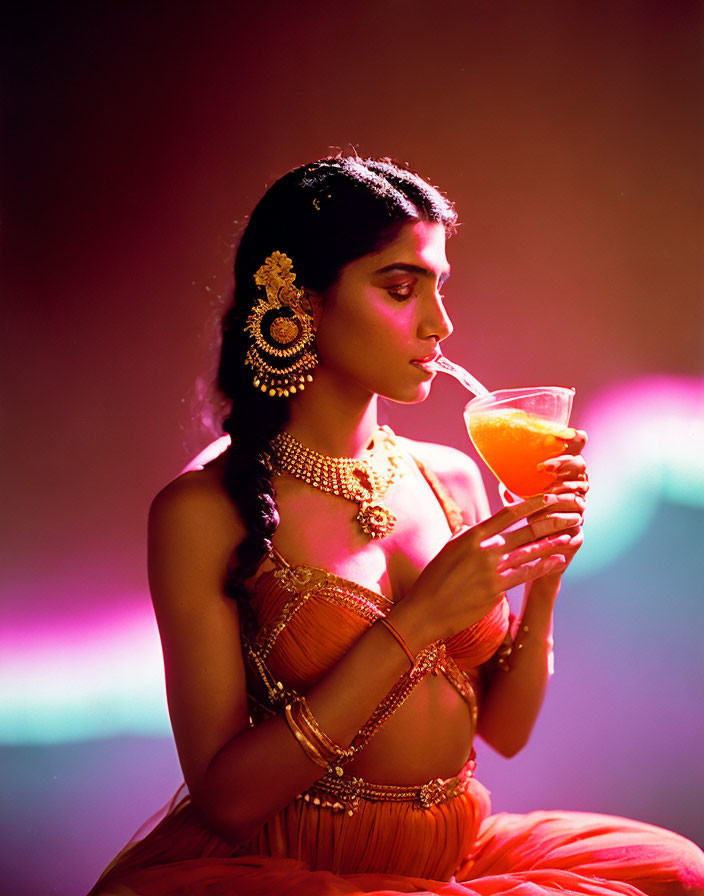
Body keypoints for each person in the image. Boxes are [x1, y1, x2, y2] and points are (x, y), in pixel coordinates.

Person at [89, 156, 704, 896]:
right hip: (293, 871)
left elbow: (504, 733)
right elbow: (227, 801)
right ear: (299, 300)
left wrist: (544, 576)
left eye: (439, 287)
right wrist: (416, 622)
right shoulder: (202, 512)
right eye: (401, 289)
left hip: (451, 856)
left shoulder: (451, 477)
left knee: (678, 874)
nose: (440, 324)